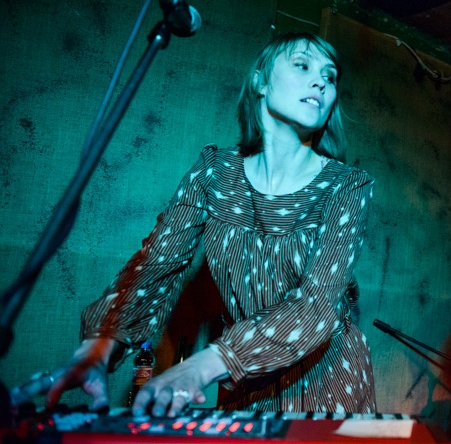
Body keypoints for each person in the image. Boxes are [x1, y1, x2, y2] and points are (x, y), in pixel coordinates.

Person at [10, 32, 377, 418]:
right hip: (243, 383)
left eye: (330, 75)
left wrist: (200, 367)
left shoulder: (347, 185)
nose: (320, 81)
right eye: (302, 66)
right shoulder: (214, 172)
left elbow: (314, 307)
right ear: (261, 82)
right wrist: (95, 352)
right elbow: (154, 267)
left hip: (328, 383)